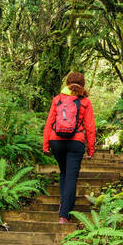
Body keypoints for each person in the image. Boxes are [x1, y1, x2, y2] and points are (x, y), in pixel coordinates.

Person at [42, 72, 96, 223]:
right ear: (83, 85)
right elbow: (90, 127)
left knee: (64, 172)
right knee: (71, 176)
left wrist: (45, 144)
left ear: (67, 83)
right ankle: (64, 215)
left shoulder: (57, 100)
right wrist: (91, 149)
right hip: (76, 142)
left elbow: (49, 122)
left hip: (56, 141)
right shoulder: (85, 102)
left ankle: (63, 203)